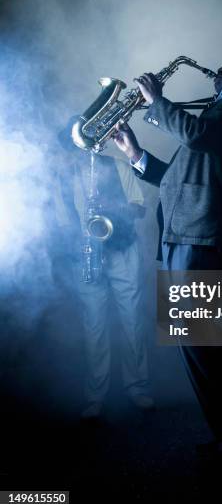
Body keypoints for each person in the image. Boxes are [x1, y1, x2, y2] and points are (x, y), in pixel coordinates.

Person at [113, 52, 222, 451]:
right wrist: (134, 155)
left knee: (198, 337)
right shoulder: (219, 114)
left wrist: (158, 102)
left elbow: (196, 135)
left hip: (201, 230)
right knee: (193, 338)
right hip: (185, 230)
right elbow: (173, 180)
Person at [54, 120, 154, 418]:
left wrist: (114, 210)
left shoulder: (118, 167)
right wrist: (82, 240)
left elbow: (140, 206)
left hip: (123, 249)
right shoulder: (64, 177)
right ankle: (95, 395)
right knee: (94, 325)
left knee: (132, 319)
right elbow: (62, 224)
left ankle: (137, 386)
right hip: (87, 255)